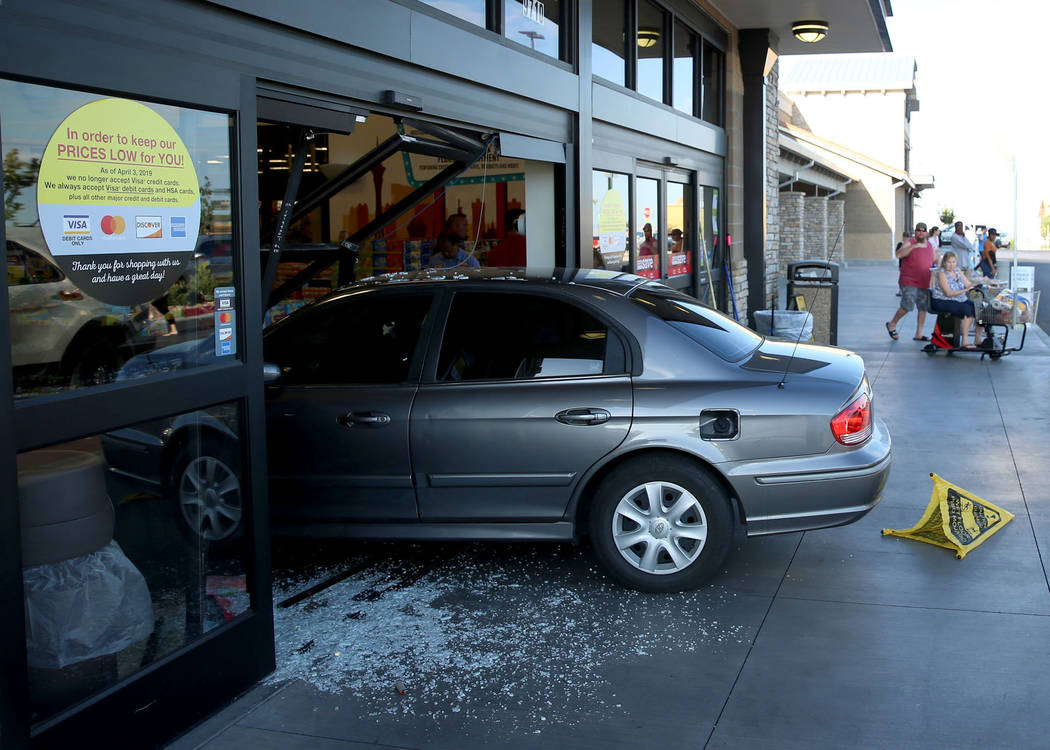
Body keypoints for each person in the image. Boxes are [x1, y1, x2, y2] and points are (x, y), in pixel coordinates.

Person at [886, 221, 935, 341]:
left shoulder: (929, 245)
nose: (921, 232)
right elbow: (899, 254)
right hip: (909, 280)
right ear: (915, 232)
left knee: (923, 307)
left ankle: (919, 334)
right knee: (907, 306)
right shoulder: (910, 242)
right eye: (918, 230)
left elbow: (933, 260)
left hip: (924, 281)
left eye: (923, 230)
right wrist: (913, 247)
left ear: (927, 232)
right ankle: (892, 324)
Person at [930, 250, 985, 348]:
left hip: (959, 298)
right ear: (944, 263)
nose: (952, 265)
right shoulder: (941, 273)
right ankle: (965, 341)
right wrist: (964, 291)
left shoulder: (957, 270)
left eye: (954, 262)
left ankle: (978, 338)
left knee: (979, 309)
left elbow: (967, 284)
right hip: (943, 300)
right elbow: (948, 293)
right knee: (967, 310)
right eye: (949, 262)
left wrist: (980, 284)